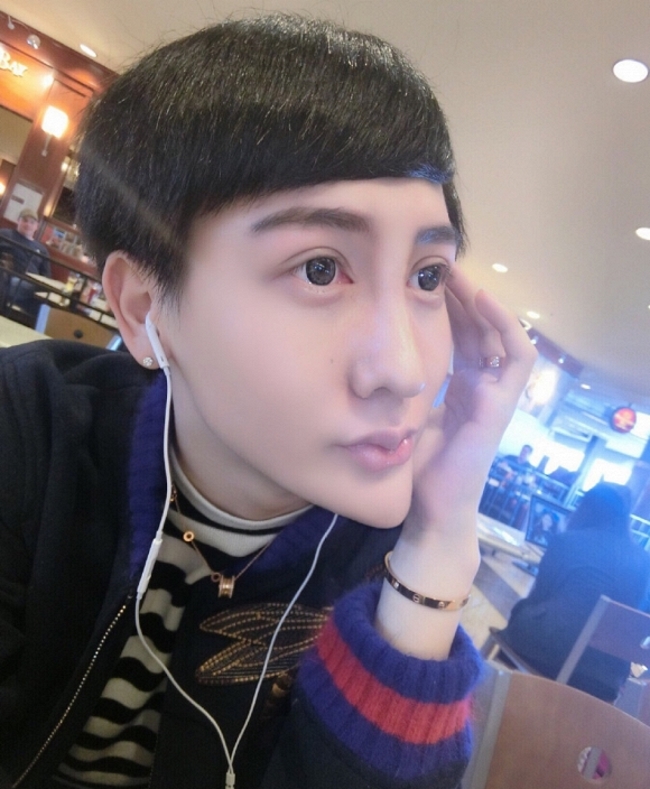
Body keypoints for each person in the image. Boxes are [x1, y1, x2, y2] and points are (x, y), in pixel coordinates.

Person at [0, 15, 536, 789]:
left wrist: (440, 542)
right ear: (145, 309)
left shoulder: (379, 557)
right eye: (320, 269)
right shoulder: (30, 431)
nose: (406, 370)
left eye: (427, 277)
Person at [498, 482, 650, 701]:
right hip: (605, 678)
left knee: (522, 615)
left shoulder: (567, 541)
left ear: (586, 507)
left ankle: (501, 697)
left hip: (552, 655)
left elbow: (538, 598)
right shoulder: (644, 561)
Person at [0, 207, 51, 320]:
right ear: (18, 221)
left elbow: (46, 276)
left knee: (46, 306)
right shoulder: (5, 235)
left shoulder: (42, 249)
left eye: (32, 222)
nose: (28, 224)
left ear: (36, 226)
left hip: (33, 285)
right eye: (25, 220)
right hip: (8, 279)